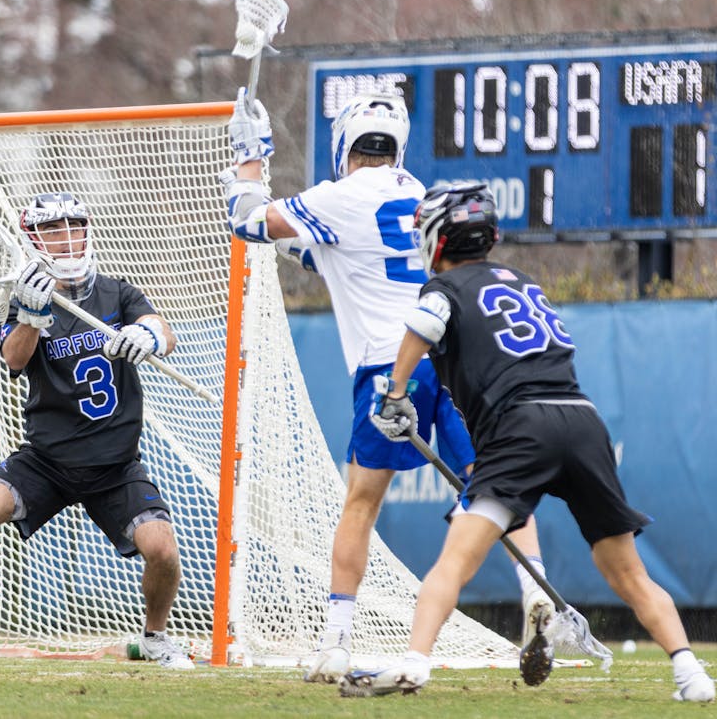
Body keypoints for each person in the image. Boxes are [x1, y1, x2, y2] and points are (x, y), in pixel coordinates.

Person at [222, 86, 553, 682]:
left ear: (344, 143)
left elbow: (248, 222)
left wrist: (249, 161)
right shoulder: (422, 195)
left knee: (361, 502)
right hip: (457, 358)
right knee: (494, 482)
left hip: (391, 364)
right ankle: (536, 585)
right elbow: (322, 256)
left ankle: (336, 640)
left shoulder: (339, 196)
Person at [344, 181, 715, 702]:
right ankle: (691, 674)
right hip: (582, 420)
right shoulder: (523, 281)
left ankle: (415, 662)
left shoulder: (444, 288)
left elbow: (424, 324)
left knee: (457, 559)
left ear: (438, 237)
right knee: (628, 571)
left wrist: (396, 392)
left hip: (520, 426)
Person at [0, 191, 194, 670]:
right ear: (34, 240)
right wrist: (31, 315)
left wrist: (147, 335)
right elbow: (14, 358)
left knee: (163, 550)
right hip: (47, 461)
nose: (66, 238)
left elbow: (164, 331)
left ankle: (155, 638)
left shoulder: (117, 294)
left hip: (115, 465)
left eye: (74, 226)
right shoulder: (19, 301)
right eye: (52, 230)